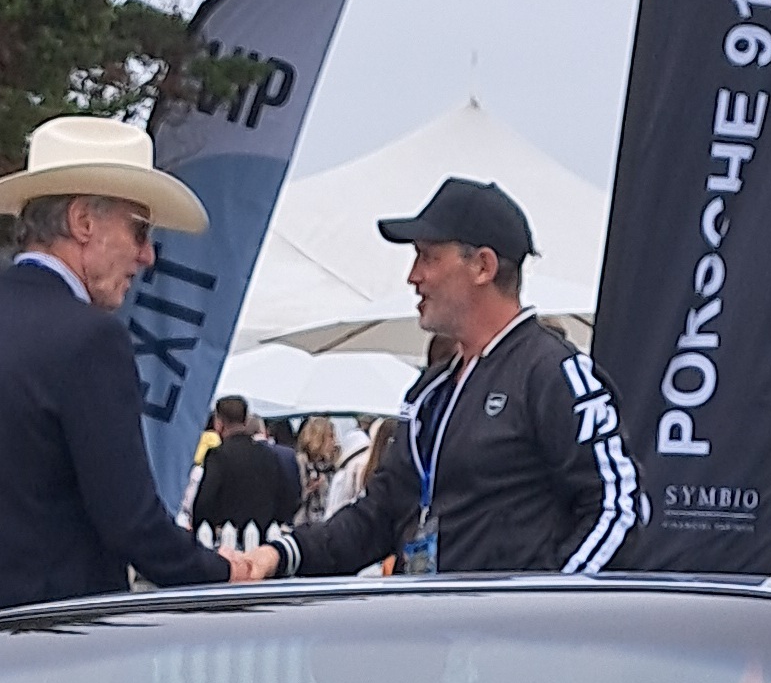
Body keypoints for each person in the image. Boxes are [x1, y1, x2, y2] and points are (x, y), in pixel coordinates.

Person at [0, 115, 242, 683]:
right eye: (139, 231)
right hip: (40, 665)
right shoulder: (90, 339)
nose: (148, 256)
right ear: (83, 221)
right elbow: (129, 520)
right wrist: (220, 573)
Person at [249, 177, 638, 584]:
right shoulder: (432, 390)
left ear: (483, 266)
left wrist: (544, 608)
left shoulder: (552, 372)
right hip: (429, 632)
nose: (413, 276)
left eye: (427, 257)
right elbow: (380, 513)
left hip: (512, 638)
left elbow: (618, 507)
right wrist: (282, 555)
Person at [188, 394, 289, 540]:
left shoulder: (218, 455)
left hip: (225, 537)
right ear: (246, 420)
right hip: (264, 536)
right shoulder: (269, 455)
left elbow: (206, 497)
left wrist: (201, 525)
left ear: (218, 422)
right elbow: (284, 494)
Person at [295, 416, 342, 519]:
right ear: (318, 437)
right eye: (330, 436)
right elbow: (291, 498)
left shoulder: (332, 465)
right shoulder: (301, 462)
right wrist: (308, 489)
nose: (334, 442)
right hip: (304, 523)